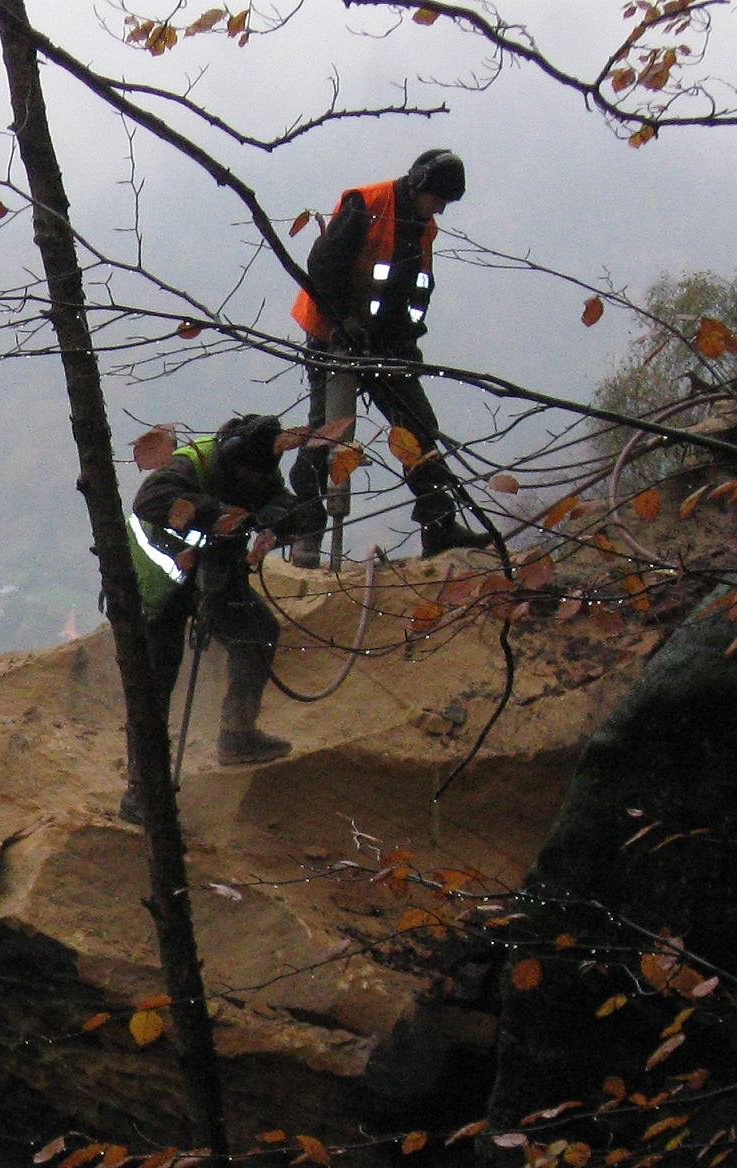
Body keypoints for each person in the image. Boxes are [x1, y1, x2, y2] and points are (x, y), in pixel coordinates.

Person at [286, 148, 492, 566]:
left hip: (384, 344)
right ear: (418, 185)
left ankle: (439, 527)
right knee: (326, 434)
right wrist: (345, 319)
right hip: (334, 339)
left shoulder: (423, 227)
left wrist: (407, 342)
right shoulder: (367, 203)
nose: (439, 209)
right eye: (436, 199)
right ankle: (307, 534)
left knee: (418, 429)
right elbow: (322, 266)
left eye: (444, 204)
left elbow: (414, 289)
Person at [117, 413, 296, 827]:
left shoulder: (257, 467)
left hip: (212, 575)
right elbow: (149, 499)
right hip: (156, 584)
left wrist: (276, 515)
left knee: (258, 632)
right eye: (244, 472)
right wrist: (220, 513)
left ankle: (237, 734)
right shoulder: (189, 464)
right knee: (156, 683)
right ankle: (142, 790)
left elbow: (288, 505)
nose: (251, 479)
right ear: (230, 458)